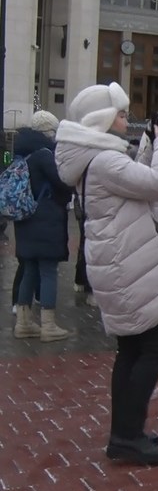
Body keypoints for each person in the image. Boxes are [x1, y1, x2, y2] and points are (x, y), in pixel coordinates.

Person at [55, 83, 158, 466]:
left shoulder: (96, 159)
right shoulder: (106, 163)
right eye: (121, 114)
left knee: (131, 351)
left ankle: (126, 432)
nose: (126, 120)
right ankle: (127, 436)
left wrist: (148, 146)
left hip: (122, 263)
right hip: (130, 267)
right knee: (154, 348)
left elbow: (137, 181)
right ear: (102, 119)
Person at [12, 111, 73, 342]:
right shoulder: (44, 155)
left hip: (26, 221)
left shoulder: (23, 156)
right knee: (48, 271)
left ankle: (23, 323)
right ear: (49, 131)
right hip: (46, 221)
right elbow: (63, 182)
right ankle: (48, 325)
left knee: (29, 270)